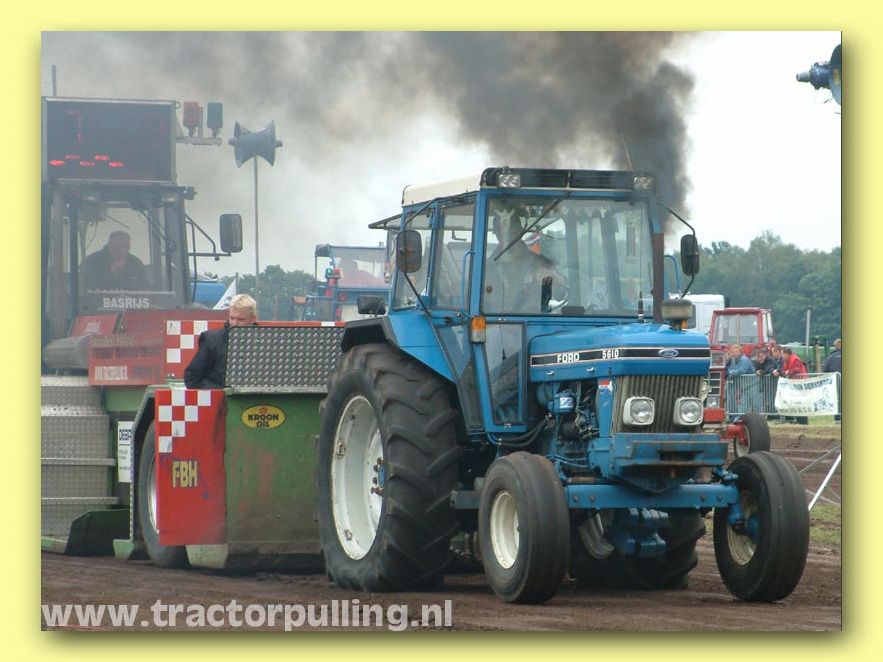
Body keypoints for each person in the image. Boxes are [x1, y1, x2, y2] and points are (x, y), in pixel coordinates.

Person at [486, 210, 566, 313]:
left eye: (512, 230)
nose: (507, 236)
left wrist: (554, 278)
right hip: (493, 321)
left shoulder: (541, 263)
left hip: (534, 320)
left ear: (520, 231)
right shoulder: (484, 269)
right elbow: (470, 302)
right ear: (496, 233)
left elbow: (561, 295)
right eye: (501, 231)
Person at [184, 294, 257, 389]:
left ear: (253, 319)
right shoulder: (212, 340)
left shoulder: (265, 342)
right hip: (218, 396)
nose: (234, 323)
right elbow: (192, 377)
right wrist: (212, 395)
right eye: (232, 318)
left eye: (241, 319)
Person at [82, 230, 149, 291]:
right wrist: (111, 273)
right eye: (118, 247)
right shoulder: (91, 261)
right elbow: (87, 288)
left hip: (131, 300)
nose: (122, 251)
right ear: (109, 245)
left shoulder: (136, 263)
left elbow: (145, 288)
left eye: (126, 247)